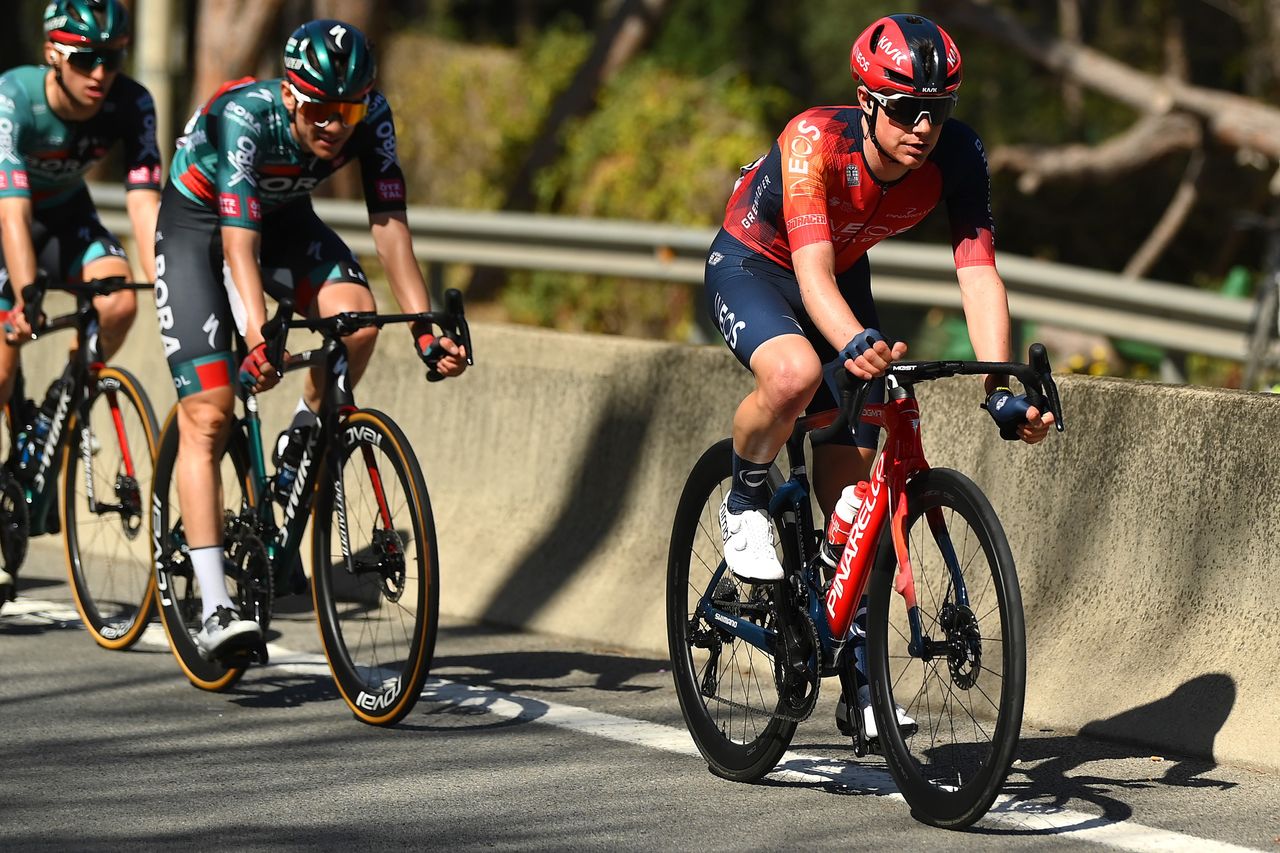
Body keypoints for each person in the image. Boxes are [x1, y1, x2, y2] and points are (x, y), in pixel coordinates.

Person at [704, 13, 1054, 740]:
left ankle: (859, 679)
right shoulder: (813, 141)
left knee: (855, 496)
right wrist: (852, 340)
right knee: (798, 370)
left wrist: (1000, 387)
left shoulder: (958, 154)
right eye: (903, 109)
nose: (922, 126)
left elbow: (979, 270)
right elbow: (808, 271)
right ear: (866, 102)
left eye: (938, 109)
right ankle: (742, 498)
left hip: (842, 272)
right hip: (757, 264)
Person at [154, 19, 467, 658]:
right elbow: (237, 247)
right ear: (293, 96)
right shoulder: (248, 115)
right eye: (321, 110)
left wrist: (425, 328)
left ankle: (304, 430)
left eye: (347, 110)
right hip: (201, 227)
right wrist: (255, 337)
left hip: (286, 220)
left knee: (356, 317)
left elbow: (389, 226)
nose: (336, 125)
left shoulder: (371, 115)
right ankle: (214, 606)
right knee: (210, 415)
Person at [0, 0, 160, 602]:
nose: (101, 73)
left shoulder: (130, 101)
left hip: (68, 218)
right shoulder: (14, 97)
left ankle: (66, 402)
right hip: (7, 222)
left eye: (113, 58)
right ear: (53, 55)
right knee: (3, 358)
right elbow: (11, 211)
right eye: (86, 59)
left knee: (119, 303)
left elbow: (145, 201)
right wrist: (25, 299)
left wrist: (159, 277)